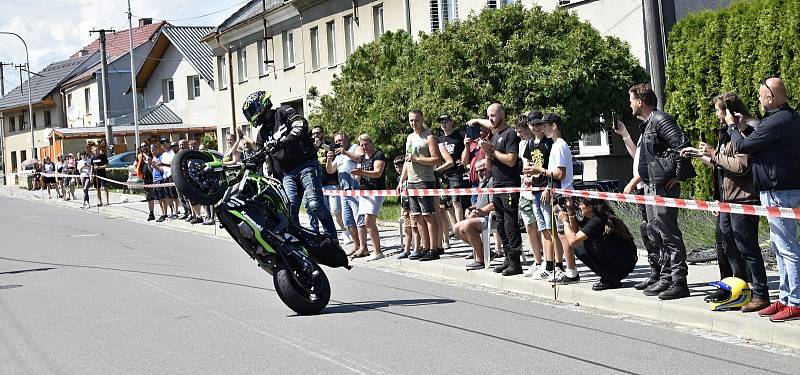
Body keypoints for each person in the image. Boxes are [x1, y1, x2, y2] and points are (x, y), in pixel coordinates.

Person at [686, 92, 768, 312]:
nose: (716, 114)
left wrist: (713, 153)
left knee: (747, 247)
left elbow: (740, 166)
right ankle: (737, 288)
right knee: (726, 246)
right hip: (725, 200)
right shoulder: (726, 133)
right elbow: (721, 163)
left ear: (730, 111)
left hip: (743, 199)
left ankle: (760, 293)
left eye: (718, 110)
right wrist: (697, 154)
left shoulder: (747, 131)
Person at [729, 77, 800, 321]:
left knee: (787, 248)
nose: (758, 99)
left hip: (780, 191)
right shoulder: (779, 120)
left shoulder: (779, 120)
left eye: (761, 95)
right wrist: (742, 128)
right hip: (773, 191)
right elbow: (760, 142)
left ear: (771, 98)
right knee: (778, 248)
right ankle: (785, 298)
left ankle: (796, 301)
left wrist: (731, 128)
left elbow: (745, 147)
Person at [629, 83, 693, 300]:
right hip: (650, 186)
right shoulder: (648, 124)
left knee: (669, 234)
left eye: (631, 100)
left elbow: (683, 145)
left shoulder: (661, 119)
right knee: (655, 233)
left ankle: (679, 281)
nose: (630, 105)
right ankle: (665, 277)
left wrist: (678, 175)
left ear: (640, 101)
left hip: (663, 187)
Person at [244, 91, 337, 239]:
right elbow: (260, 155)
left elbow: (300, 125)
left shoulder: (283, 112)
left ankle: (332, 238)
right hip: (287, 173)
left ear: (260, 106)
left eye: (251, 111)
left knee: (315, 204)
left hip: (306, 164)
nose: (251, 116)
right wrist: (244, 167)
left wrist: (282, 141)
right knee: (290, 210)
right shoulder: (262, 133)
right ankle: (299, 244)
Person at [468, 103, 523, 276]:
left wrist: (491, 150)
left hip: (509, 184)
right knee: (500, 223)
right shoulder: (494, 135)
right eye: (488, 116)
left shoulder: (510, 134)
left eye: (493, 115)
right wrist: (487, 153)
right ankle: (507, 258)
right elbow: (490, 166)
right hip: (496, 184)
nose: (490, 119)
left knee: (510, 223)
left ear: (502, 114)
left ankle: (515, 262)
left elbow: (511, 160)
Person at [614, 118, 664, 291]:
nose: (630, 104)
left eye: (632, 100)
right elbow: (638, 158)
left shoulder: (653, 130)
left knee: (653, 231)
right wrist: (625, 134)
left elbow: (648, 166)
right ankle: (655, 272)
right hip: (642, 189)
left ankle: (663, 274)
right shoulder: (644, 132)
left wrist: (631, 183)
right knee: (647, 230)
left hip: (648, 188)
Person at [530, 113, 576, 283]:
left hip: (563, 193)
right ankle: (567, 269)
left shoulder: (560, 146)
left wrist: (539, 170)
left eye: (546, 125)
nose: (543, 129)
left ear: (554, 126)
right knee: (560, 233)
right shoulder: (556, 145)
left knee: (564, 234)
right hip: (557, 193)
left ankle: (571, 270)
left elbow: (560, 174)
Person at [559, 197, 638, 291]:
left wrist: (565, 221)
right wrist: (570, 212)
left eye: (581, 204)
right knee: (580, 248)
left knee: (589, 243)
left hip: (624, 262)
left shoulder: (599, 219)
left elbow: (572, 240)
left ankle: (610, 279)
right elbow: (575, 231)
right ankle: (609, 276)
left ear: (590, 207)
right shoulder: (593, 218)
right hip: (620, 260)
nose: (579, 206)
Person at [399, 109, 442, 261]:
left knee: (428, 215)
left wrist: (417, 159)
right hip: (411, 181)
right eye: (411, 120)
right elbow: (406, 160)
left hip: (425, 180)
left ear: (422, 119)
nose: (413, 123)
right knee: (417, 216)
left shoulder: (429, 137)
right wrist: (402, 180)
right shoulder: (410, 137)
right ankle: (424, 246)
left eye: (416, 120)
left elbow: (436, 159)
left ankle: (434, 248)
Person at [523, 112, 556, 279]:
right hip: (534, 189)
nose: (536, 128)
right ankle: (545, 262)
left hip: (545, 188)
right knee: (542, 227)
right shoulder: (530, 143)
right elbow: (527, 164)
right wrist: (527, 177)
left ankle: (553, 264)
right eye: (533, 125)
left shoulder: (549, 143)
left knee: (550, 227)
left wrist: (548, 187)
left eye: (539, 125)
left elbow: (553, 167)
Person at [350, 134, 387, 261]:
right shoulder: (361, 159)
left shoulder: (378, 155)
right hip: (363, 192)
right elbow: (357, 177)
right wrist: (357, 174)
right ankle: (366, 248)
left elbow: (377, 173)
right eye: (362, 145)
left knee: (369, 222)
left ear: (371, 142)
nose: (364, 147)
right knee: (364, 222)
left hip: (375, 191)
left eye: (366, 144)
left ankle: (377, 251)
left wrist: (361, 172)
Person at [515, 113, 544, 271]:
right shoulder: (521, 144)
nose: (518, 134)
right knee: (529, 226)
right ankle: (537, 261)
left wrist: (532, 175)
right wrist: (525, 176)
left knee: (543, 227)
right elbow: (525, 165)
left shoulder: (540, 143)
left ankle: (547, 260)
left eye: (521, 130)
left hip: (539, 188)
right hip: (525, 190)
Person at [453, 159, 495, 270]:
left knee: (468, 225)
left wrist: (477, 212)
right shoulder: (481, 183)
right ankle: (486, 252)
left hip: (491, 217)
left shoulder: (492, 181)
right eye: (477, 171)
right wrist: (469, 208)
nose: (479, 173)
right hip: (481, 216)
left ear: (488, 168)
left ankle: (480, 260)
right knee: (456, 228)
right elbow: (479, 203)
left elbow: (493, 204)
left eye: (482, 170)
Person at [326, 132, 363, 254]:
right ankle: (356, 245)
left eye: (341, 140)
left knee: (359, 219)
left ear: (347, 139)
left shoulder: (354, 148)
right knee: (348, 221)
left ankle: (364, 246)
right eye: (336, 141)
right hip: (343, 191)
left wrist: (345, 152)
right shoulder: (339, 155)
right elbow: (331, 170)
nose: (338, 143)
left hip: (354, 188)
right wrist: (329, 159)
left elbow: (359, 158)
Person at [310, 126, 347, 239]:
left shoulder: (331, 144)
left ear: (323, 133)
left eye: (318, 133)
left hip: (331, 182)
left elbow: (330, 149)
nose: (316, 135)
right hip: (317, 183)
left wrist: (320, 144)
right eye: (314, 133)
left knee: (336, 210)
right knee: (323, 212)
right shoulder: (311, 148)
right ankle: (329, 233)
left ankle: (345, 231)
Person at [395, 156, 420, 258]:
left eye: (400, 166)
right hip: (405, 206)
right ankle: (406, 249)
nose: (398, 169)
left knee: (415, 228)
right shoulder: (399, 179)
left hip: (413, 205)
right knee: (407, 228)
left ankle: (417, 248)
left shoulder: (411, 177)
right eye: (396, 167)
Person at [135, 142, 157, 221]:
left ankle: (169, 213)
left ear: (148, 146)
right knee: (149, 197)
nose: (143, 147)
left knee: (161, 197)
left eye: (145, 146)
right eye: (142, 147)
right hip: (146, 179)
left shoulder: (152, 155)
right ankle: (151, 213)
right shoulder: (140, 157)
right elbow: (136, 165)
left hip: (155, 178)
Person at [159, 141, 180, 218]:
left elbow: (173, 164)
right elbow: (162, 166)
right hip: (165, 176)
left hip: (172, 175)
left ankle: (176, 212)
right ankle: (171, 212)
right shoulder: (163, 155)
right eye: (162, 144)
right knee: (168, 196)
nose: (164, 146)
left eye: (165, 144)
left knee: (174, 195)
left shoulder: (173, 153)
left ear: (168, 144)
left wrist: (163, 164)